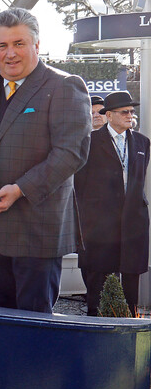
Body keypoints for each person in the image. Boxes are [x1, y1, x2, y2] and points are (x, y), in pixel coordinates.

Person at [0, 7, 91, 314]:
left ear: (37, 45)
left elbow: (71, 154)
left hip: (37, 228)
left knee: (36, 326)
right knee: (5, 320)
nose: (10, 54)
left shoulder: (65, 85)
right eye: (2, 46)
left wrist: (18, 189)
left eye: (19, 44)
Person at [75, 90, 149, 316]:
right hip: (99, 225)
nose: (130, 115)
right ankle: (95, 325)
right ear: (109, 115)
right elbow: (80, 186)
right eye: (124, 111)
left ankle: (131, 324)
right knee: (98, 280)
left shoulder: (142, 142)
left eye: (132, 112)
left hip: (133, 223)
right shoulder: (89, 142)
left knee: (130, 280)